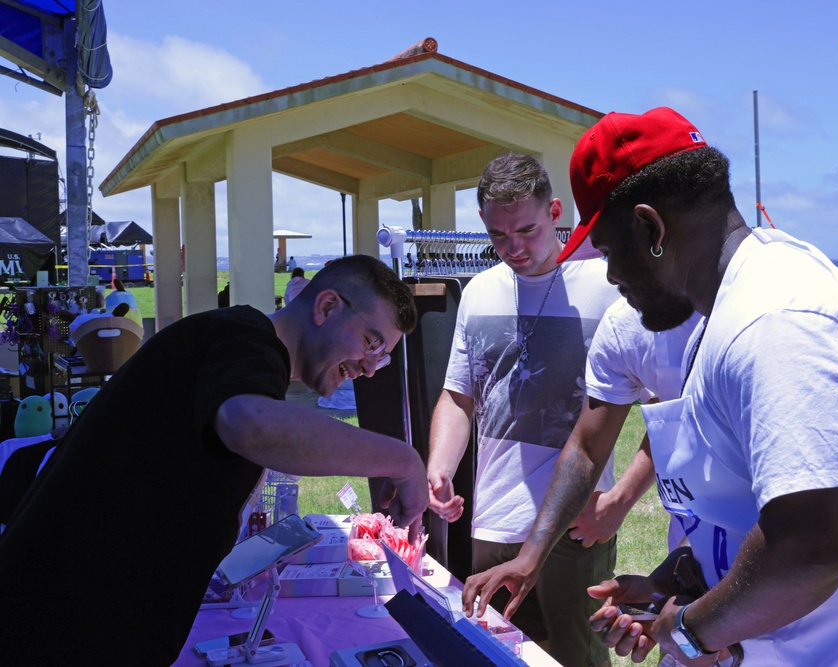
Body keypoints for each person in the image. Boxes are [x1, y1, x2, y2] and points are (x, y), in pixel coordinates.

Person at [561, 106, 838, 665]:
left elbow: (810, 546)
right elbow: (750, 507)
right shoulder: (733, 308)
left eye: (609, 252)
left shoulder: (778, 320)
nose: (611, 276)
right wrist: (680, 578)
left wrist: (692, 632)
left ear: (651, 228)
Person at [0, 255, 428, 665]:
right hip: (60, 631)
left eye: (383, 355)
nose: (371, 368)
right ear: (328, 306)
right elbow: (251, 425)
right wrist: (403, 460)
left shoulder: (243, 349)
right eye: (371, 343)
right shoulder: (244, 338)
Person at [426, 152, 620, 667]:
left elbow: (670, 408)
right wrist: (440, 467)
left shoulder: (607, 288)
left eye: (527, 231)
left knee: (577, 658)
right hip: (493, 518)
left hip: (576, 523)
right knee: (495, 653)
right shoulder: (478, 292)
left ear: (555, 211)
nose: (513, 248)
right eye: (497, 235)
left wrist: (620, 499)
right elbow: (459, 396)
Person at [461, 298, 699, 620]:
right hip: (700, 566)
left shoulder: (759, 315)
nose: (611, 271)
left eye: (613, 252)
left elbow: (777, 527)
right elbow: (588, 448)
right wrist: (670, 584)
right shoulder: (622, 321)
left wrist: (703, 627)